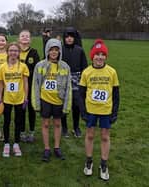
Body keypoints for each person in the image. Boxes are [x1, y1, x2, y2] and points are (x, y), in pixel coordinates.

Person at [80, 39, 119, 181]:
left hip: (106, 110)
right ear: (92, 56)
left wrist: (114, 112)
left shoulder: (112, 72)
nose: (100, 57)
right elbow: (81, 93)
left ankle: (103, 164)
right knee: (90, 135)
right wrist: (83, 111)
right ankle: (89, 161)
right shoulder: (86, 72)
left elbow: (116, 94)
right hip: (91, 109)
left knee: (104, 136)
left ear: (106, 56)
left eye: (103, 54)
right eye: (97, 54)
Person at [31, 38, 72, 162]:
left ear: (59, 52)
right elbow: (35, 84)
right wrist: (36, 102)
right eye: (51, 50)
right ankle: (47, 148)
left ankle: (57, 147)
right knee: (45, 124)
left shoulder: (65, 66)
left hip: (58, 100)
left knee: (58, 123)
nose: (54, 52)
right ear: (47, 51)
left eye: (56, 50)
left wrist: (67, 104)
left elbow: (68, 87)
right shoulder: (40, 65)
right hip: (45, 100)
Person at [0, 42, 29, 157]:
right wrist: (0, 97)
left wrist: (26, 98)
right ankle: (6, 143)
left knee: (18, 121)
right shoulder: (3, 67)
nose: (13, 53)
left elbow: (25, 82)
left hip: (19, 99)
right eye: (11, 50)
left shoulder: (23, 66)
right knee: (6, 121)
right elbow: (0, 83)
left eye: (15, 50)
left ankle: (16, 143)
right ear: (7, 52)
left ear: (19, 53)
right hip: (7, 99)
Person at [61, 27, 88, 138]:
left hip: (77, 80)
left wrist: (84, 81)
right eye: (67, 37)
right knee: (63, 104)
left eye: (71, 37)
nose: (69, 39)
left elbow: (85, 67)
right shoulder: (60, 49)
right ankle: (64, 128)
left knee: (76, 105)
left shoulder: (79, 50)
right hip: (63, 79)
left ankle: (76, 127)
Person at [18, 30, 40, 142]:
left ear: (30, 39)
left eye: (27, 36)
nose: (25, 38)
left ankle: (31, 132)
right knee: (21, 110)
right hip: (18, 86)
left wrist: (27, 73)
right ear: (19, 39)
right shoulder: (15, 51)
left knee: (31, 109)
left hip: (31, 86)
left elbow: (37, 69)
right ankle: (21, 132)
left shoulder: (34, 52)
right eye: (23, 36)